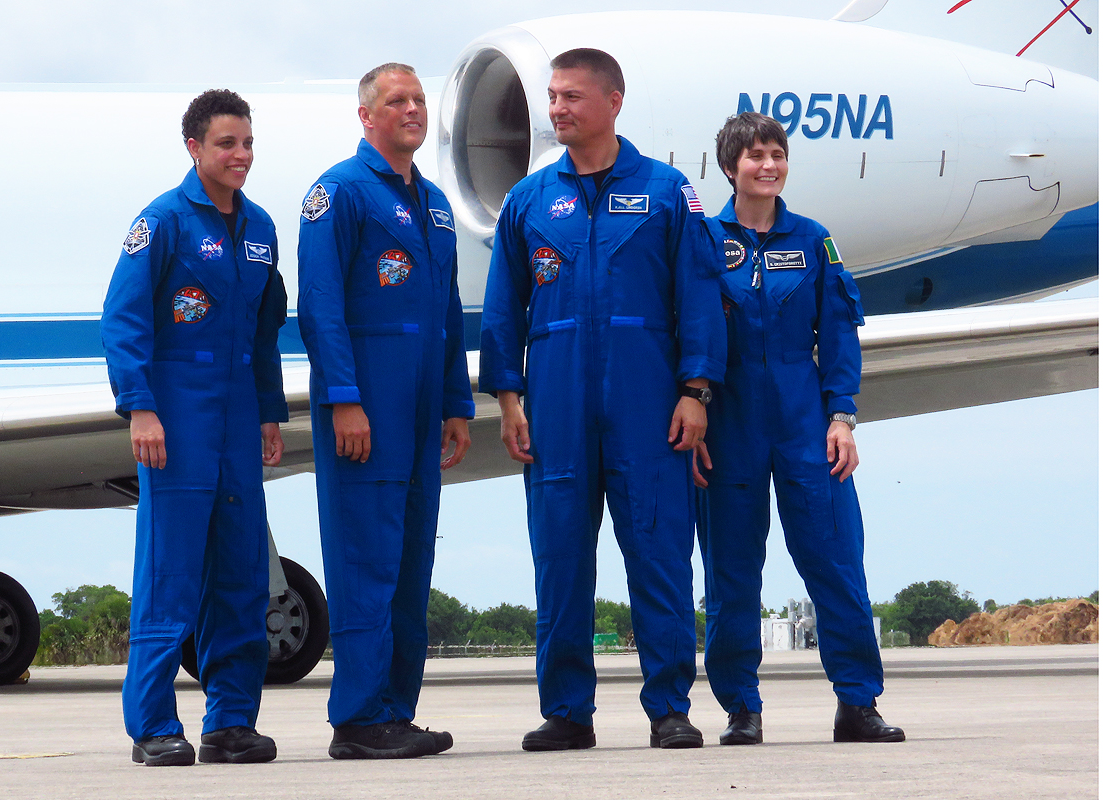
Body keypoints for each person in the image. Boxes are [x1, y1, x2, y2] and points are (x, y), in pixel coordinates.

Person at [479, 48, 726, 751]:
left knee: (658, 552)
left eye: (571, 97)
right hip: (554, 402)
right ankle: (566, 711)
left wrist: (696, 391)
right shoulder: (529, 201)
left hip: (648, 401)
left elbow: (699, 298)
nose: (557, 109)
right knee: (558, 559)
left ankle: (670, 707)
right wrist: (509, 397)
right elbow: (504, 310)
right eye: (552, 97)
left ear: (614, 100)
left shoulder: (667, 192)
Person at [697, 111, 905, 745]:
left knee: (836, 559)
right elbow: (688, 334)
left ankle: (858, 703)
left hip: (804, 421)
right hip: (728, 422)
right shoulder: (701, 242)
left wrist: (842, 416)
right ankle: (741, 709)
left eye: (777, 154)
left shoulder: (815, 241)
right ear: (729, 167)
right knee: (731, 570)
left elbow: (839, 335)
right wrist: (694, 408)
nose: (768, 166)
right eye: (755, 156)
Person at [101, 89, 287, 767]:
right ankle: (152, 724)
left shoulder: (262, 228)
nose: (240, 156)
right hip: (177, 410)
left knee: (241, 571)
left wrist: (269, 412)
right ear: (194, 149)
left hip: (239, 411)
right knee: (171, 572)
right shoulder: (164, 222)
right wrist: (141, 406)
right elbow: (123, 319)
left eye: (247, 144)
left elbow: (266, 330)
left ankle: (231, 721)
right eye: (226, 144)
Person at [297, 62, 474, 760]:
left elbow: (447, 313)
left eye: (419, 100)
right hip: (365, 406)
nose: (412, 110)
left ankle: (395, 711)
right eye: (396, 100)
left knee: (409, 563)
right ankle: (359, 717)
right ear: (366, 115)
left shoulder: (432, 204)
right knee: (366, 561)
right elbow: (321, 307)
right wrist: (344, 399)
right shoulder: (338, 194)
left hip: (422, 407)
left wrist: (458, 402)